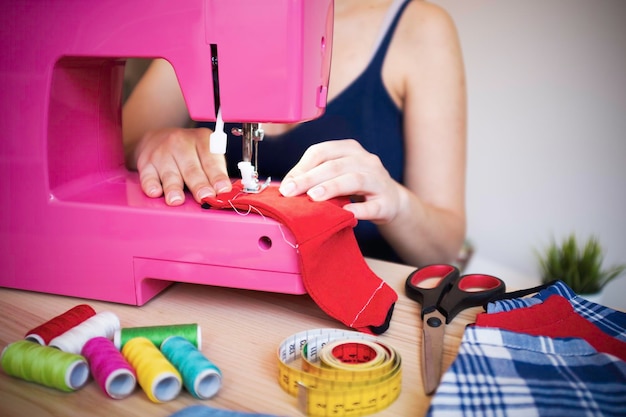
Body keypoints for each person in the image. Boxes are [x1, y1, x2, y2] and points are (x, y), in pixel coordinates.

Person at [123, 0, 467, 267]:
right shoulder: (207, 16)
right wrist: (151, 144)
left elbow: (442, 249)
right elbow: (109, 150)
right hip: (213, 281)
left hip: (361, 298)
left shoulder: (420, 29)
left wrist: (396, 202)